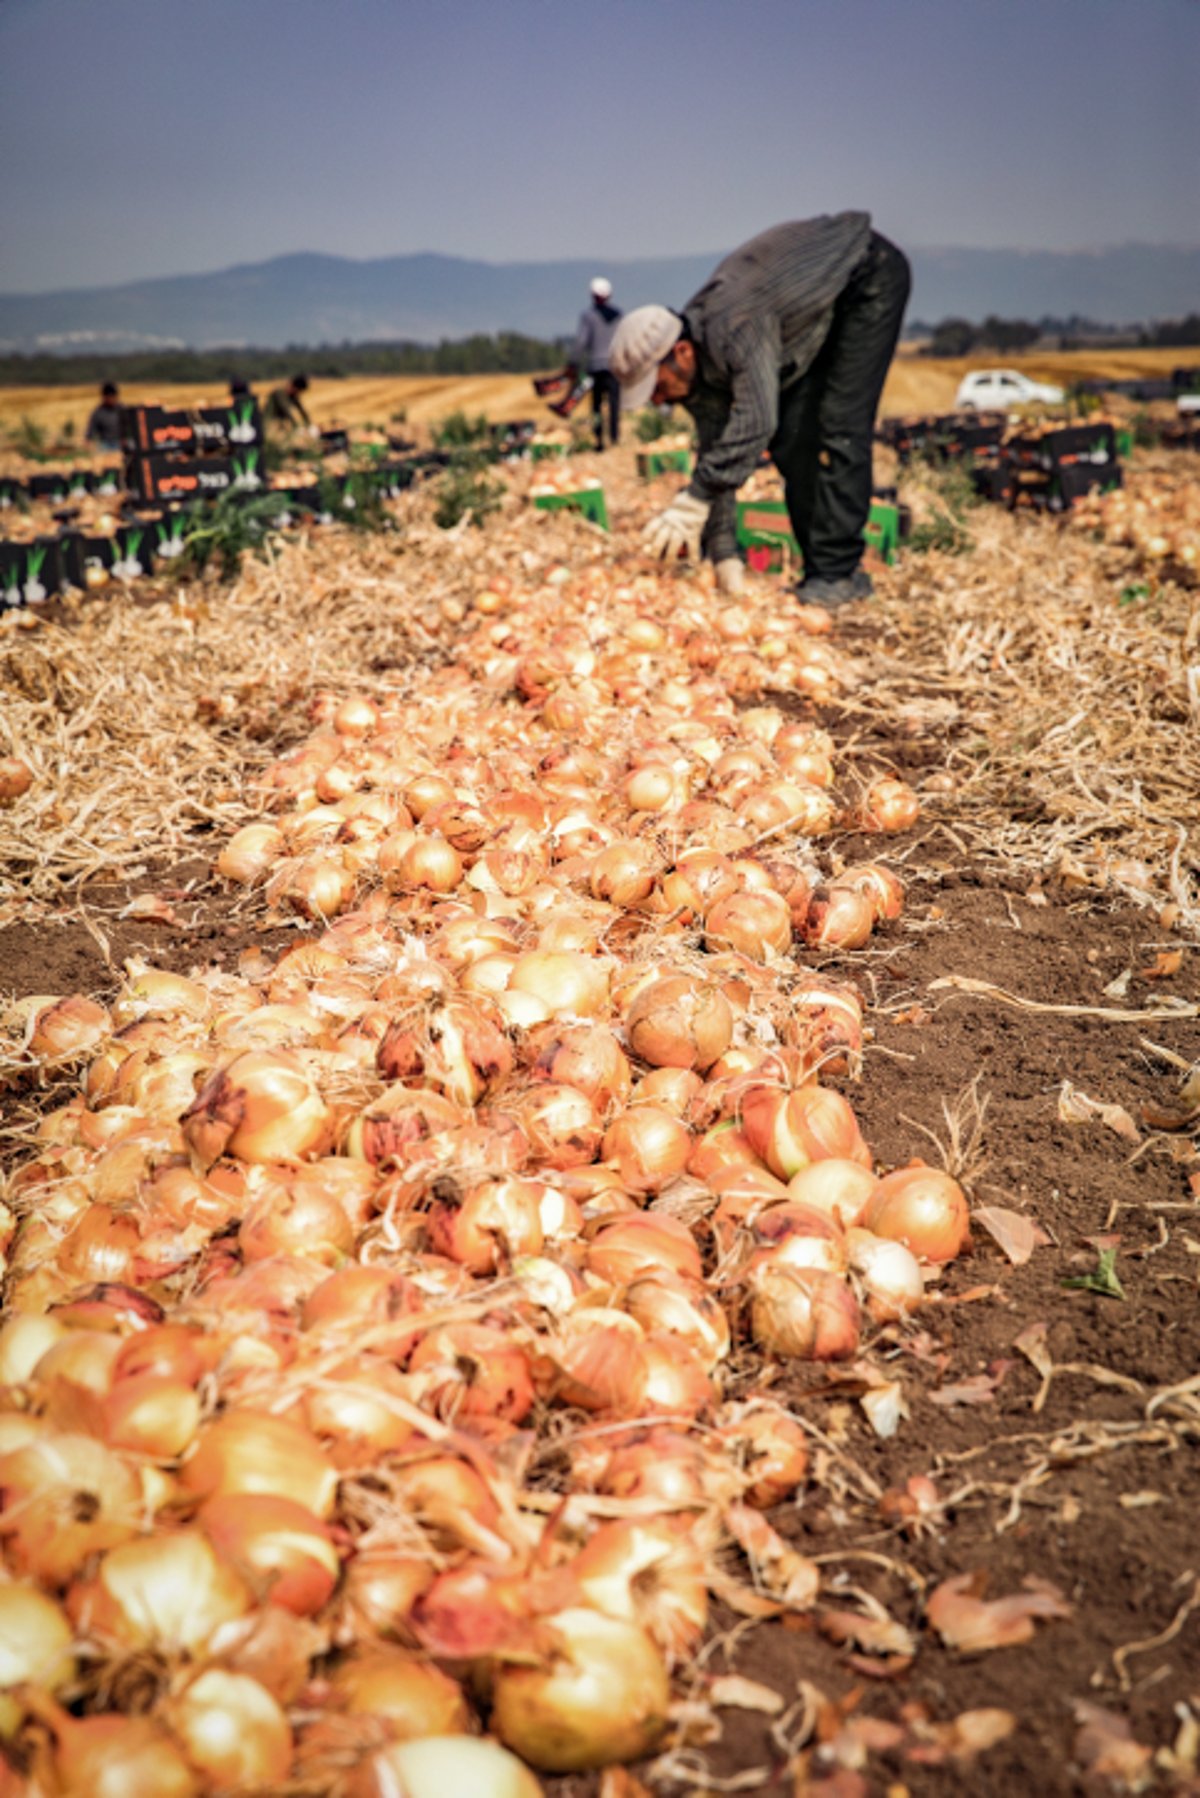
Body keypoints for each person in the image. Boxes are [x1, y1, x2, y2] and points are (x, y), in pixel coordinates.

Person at [609, 213, 910, 607]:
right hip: (817, 312)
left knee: (837, 425)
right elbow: (719, 451)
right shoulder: (701, 370)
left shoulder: (734, 324)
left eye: (658, 387)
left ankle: (838, 575)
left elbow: (757, 419)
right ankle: (823, 570)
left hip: (865, 276)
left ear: (681, 354)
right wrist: (724, 556)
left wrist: (696, 496)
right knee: (792, 440)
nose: (659, 401)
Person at [566, 277, 624, 449]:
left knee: (597, 405)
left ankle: (599, 440)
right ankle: (614, 438)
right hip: (614, 365)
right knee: (615, 404)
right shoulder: (618, 315)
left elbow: (582, 341)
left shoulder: (588, 316)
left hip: (596, 366)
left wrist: (573, 363)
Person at [85, 381, 122, 450]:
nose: (111, 399)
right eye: (109, 397)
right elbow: (91, 428)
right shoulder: (98, 412)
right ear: (104, 397)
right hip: (105, 444)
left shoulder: (122, 409)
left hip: (120, 442)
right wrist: (88, 440)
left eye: (113, 396)